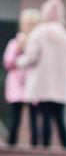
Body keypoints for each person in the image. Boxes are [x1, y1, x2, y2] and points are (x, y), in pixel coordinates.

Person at [19, 0, 66, 149]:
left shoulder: (38, 34)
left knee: (44, 118)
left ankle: (44, 150)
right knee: (59, 120)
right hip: (60, 86)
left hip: (40, 84)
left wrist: (19, 61)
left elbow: (31, 57)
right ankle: (65, 150)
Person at [3, 9, 38, 148]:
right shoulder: (14, 43)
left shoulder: (37, 44)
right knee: (15, 119)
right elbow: (8, 62)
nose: (28, 26)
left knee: (34, 119)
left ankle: (36, 149)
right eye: (26, 23)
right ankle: (11, 147)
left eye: (32, 23)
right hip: (16, 85)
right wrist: (18, 49)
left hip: (33, 84)